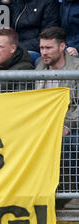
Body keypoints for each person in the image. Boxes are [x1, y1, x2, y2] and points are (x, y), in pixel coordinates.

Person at [34, 27, 79, 209]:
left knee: (67, 144)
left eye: (48, 48)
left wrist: (66, 126)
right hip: (45, 126)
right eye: (42, 48)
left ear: (62, 47)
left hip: (71, 127)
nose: (44, 52)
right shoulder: (39, 65)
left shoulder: (76, 68)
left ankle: (71, 194)